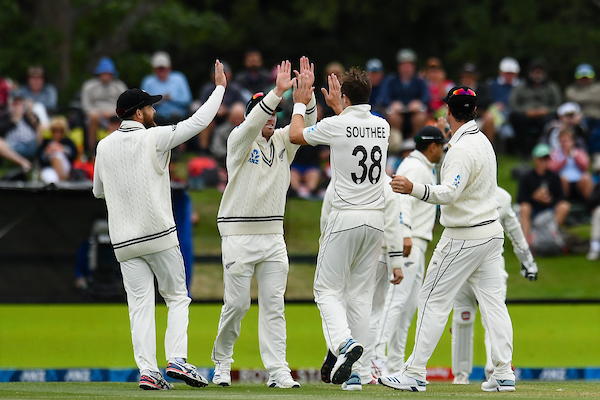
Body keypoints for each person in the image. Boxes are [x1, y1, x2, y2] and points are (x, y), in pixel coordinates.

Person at [92, 60, 227, 391]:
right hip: (159, 234)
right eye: (150, 106)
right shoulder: (155, 137)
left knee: (139, 305)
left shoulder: (103, 146)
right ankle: (177, 359)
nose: (153, 110)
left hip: (124, 241)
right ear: (138, 113)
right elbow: (198, 122)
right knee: (177, 297)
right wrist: (220, 88)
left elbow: (98, 191)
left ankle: (148, 371)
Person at [381, 86, 517, 392]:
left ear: (449, 113)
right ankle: (503, 371)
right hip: (492, 234)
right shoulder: (482, 141)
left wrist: (413, 187)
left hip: (464, 236)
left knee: (431, 300)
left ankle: (415, 372)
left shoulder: (460, 150)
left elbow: (450, 193)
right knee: (495, 304)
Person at [211, 58, 317, 389]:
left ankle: (278, 370)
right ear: (250, 116)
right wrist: (275, 93)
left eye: (274, 112)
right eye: (264, 112)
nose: (271, 116)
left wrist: (306, 96)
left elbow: (308, 125)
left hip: (273, 237)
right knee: (237, 305)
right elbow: (255, 118)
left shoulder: (285, 141)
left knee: (274, 306)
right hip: (238, 236)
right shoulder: (238, 141)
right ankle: (222, 364)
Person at [290, 66, 390, 389]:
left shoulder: (336, 124)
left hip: (345, 216)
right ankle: (356, 373)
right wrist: (341, 107)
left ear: (344, 96)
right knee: (360, 296)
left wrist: (299, 103)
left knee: (325, 290)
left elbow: (295, 135)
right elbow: (353, 129)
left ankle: (344, 345)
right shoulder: (384, 126)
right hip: (376, 220)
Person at [372, 126, 446, 378]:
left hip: (418, 241)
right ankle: (375, 356)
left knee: (407, 306)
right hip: (409, 240)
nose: (443, 151)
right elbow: (400, 200)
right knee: (395, 301)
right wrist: (404, 232)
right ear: (433, 147)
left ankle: (394, 364)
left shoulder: (423, 166)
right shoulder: (415, 167)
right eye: (442, 146)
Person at [320, 173, 404, 390]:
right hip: (377, 249)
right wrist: (396, 260)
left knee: (339, 302)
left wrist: (325, 248)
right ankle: (361, 371)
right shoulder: (385, 183)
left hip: (343, 243)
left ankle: (339, 347)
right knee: (368, 310)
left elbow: (326, 215)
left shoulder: (341, 178)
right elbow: (393, 223)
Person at [451, 186, 538, 384]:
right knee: (463, 317)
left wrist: (527, 260)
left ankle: (495, 370)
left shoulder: (502, 197)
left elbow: (514, 229)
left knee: (492, 315)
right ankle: (461, 375)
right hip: (463, 264)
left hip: (488, 267)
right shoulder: (457, 191)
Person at [517, 143, 570, 245]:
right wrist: (534, 197)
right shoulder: (527, 177)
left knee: (564, 206)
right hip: (533, 208)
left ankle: (550, 234)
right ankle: (526, 242)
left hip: (549, 209)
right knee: (524, 207)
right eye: (541, 159)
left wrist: (549, 200)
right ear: (535, 159)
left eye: (546, 159)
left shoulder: (554, 177)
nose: (544, 162)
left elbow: (561, 197)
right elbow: (520, 199)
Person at [509, 59, 562, 158]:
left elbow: (557, 105)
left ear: (545, 73)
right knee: (515, 117)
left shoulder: (552, 87)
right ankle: (524, 151)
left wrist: (546, 111)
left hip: (544, 115)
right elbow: (513, 104)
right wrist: (525, 111)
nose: (538, 74)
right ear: (530, 73)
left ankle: (543, 150)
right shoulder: (521, 87)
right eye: (535, 72)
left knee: (551, 120)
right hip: (526, 114)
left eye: (540, 72)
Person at [80, 57, 128, 154]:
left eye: (108, 74)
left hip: (115, 114)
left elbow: (126, 103)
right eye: (104, 73)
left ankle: (119, 150)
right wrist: (97, 113)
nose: (106, 76)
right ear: (99, 73)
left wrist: (114, 113)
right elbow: (85, 105)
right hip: (96, 115)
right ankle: (91, 151)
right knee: (92, 118)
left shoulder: (119, 86)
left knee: (121, 119)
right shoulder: (89, 86)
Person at [380, 48, 430, 138]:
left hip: (414, 112)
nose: (406, 69)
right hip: (397, 112)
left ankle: (414, 141)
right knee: (393, 117)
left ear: (414, 66)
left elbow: (426, 97)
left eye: (409, 65)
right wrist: (392, 104)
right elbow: (384, 96)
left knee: (420, 117)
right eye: (403, 65)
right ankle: (398, 141)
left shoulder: (420, 81)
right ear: (398, 66)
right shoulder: (390, 80)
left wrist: (419, 103)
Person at [141, 51, 193, 125]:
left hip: (178, 117)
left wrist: (171, 98)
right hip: (156, 118)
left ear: (169, 68)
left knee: (175, 117)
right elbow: (143, 104)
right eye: (159, 69)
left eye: (164, 68)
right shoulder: (148, 82)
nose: (162, 71)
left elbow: (187, 100)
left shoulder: (179, 78)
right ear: (154, 69)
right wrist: (157, 101)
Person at [565, 64, 600, 165]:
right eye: (582, 77)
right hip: (580, 118)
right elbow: (571, 100)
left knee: (597, 132)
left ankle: (596, 156)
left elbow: (578, 99)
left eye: (587, 77)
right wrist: (592, 98)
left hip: (597, 118)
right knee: (580, 129)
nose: (585, 80)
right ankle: (582, 154)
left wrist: (583, 99)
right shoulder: (571, 90)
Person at [548, 128, 593, 202]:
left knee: (586, 178)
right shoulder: (555, 153)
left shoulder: (579, 152)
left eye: (566, 141)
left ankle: (591, 205)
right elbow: (552, 168)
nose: (564, 144)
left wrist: (574, 155)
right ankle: (562, 203)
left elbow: (585, 166)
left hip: (579, 182)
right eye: (562, 141)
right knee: (562, 179)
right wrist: (565, 158)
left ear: (572, 141)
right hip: (563, 181)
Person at [0, 92, 41, 167]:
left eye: (19, 103)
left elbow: (38, 126)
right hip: (13, 146)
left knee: (43, 127)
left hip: (30, 144)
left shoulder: (29, 116)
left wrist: (30, 113)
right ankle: (23, 162)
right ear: (10, 105)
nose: (17, 106)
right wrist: (14, 121)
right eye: (15, 104)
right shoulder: (5, 117)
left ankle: (39, 162)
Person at [488, 57, 521, 148]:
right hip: (497, 113)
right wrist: (494, 106)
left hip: (513, 112)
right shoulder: (492, 85)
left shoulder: (520, 86)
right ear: (501, 72)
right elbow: (487, 101)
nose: (509, 76)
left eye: (511, 74)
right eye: (507, 73)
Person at [458, 63, 494, 142]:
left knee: (490, 118)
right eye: (465, 76)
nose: (467, 79)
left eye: (470, 76)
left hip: (478, 118)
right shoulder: (457, 89)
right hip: (459, 119)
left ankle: (488, 146)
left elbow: (486, 103)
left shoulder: (482, 88)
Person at [37, 115, 78, 183]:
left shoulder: (67, 142)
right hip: (49, 168)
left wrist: (63, 149)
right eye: (55, 131)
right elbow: (39, 158)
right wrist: (47, 153)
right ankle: (60, 185)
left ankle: (62, 182)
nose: (57, 134)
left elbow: (74, 155)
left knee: (57, 154)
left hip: (66, 168)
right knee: (51, 179)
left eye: (60, 131)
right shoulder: (46, 142)